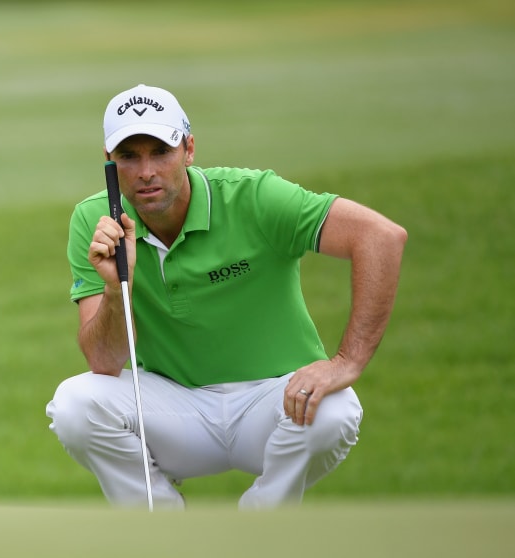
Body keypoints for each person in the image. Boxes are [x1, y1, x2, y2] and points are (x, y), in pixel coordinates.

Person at [46, 84, 407, 509]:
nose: (146, 171)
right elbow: (104, 363)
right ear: (111, 163)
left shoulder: (252, 197)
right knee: (74, 405)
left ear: (189, 149)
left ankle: (254, 530)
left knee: (336, 409)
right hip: (175, 410)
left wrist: (347, 361)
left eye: (160, 151)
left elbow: (380, 237)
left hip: (273, 403)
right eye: (129, 156)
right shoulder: (95, 220)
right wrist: (114, 285)